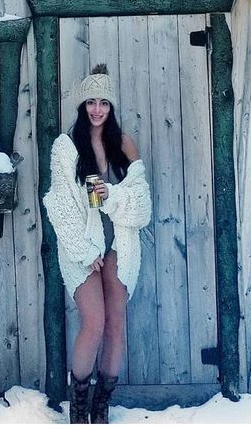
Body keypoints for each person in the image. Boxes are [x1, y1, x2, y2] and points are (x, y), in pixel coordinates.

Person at [41, 64, 152, 424]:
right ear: (82, 105)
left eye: (104, 102)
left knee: (116, 323)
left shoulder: (124, 144)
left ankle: (100, 407)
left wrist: (113, 195)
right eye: (91, 101)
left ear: (112, 106)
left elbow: (143, 207)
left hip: (120, 244)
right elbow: (59, 205)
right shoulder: (66, 146)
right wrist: (85, 253)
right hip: (82, 246)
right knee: (95, 321)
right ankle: (78, 408)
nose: (97, 109)